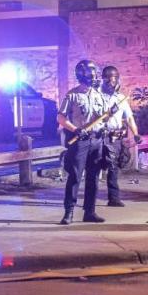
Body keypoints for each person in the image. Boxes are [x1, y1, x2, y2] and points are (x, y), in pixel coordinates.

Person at [58, 59, 108, 225]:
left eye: (95, 73)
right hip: (80, 141)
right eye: (91, 74)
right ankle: (69, 212)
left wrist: (108, 118)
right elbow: (61, 117)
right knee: (75, 176)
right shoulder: (72, 95)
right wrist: (75, 129)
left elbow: (102, 117)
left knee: (93, 177)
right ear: (83, 75)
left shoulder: (98, 95)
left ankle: (90, 211)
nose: (94, 76)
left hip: (97, 140)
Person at [100, 66, 142, 207]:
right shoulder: (97, 96)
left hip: (116, 137)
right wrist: (108, 114)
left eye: (116, 78)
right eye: (111, 79)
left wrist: (136, 134)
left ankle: (114, 198)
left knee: (114, 168)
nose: (113, 82)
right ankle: (90, 199)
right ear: (104, 79)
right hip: (101, 137)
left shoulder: (121, 98)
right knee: (95, 168)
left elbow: (129, 118)